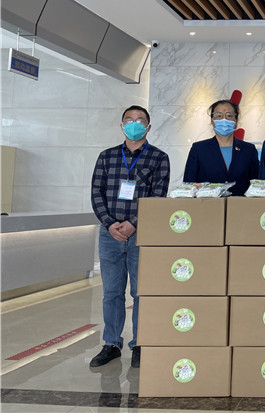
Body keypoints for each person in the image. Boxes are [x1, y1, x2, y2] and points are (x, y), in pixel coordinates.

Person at [90, 106, 170, 368]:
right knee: (112, 293)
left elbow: (158, 197)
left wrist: (133, 224)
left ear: (149, 127)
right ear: (122, 125)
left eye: (140, 120)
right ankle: (111, 343)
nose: (134, 124)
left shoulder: (159, 158)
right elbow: (96, 193)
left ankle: (140, 344)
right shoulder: (107, 156)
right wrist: (110, 224)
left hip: (142, 235)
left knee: (141, 293)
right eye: (129, 120)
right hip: (109, 234)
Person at [183, 99, 258, 196]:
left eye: (229, 115)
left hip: (241, 204)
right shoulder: (199, 149)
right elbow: (188, 185)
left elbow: (256, 185)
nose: (224, 119)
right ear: (212, 121)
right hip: (206, 204)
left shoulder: (248, 149)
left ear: (236, 121)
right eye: (218, 115)